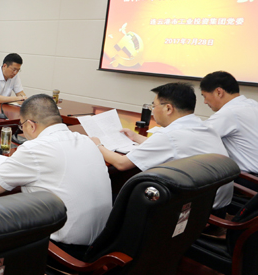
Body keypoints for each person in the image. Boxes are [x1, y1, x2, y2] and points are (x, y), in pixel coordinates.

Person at [0, 95, 111, 247]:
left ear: (31, 125)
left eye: (22, 126)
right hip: (103, 241)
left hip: (63, 249)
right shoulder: (86, 140)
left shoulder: (34, 148)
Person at [93, 82, 233, 210]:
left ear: (168, 108)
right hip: (217, 203)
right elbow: (173, 146)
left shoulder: (170, 135)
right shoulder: (203, 126)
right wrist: (135, 137)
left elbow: (121, 164)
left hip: (193, 211)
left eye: (154, 106)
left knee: (108, 199)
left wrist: (97, 144)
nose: (153, 111)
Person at [200, 71, 258, 178]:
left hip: (257, 181)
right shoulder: (254, 104)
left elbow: (196, 137)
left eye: (205, 96)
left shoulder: (230, 112)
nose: (205, 102)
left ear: (219, 92)